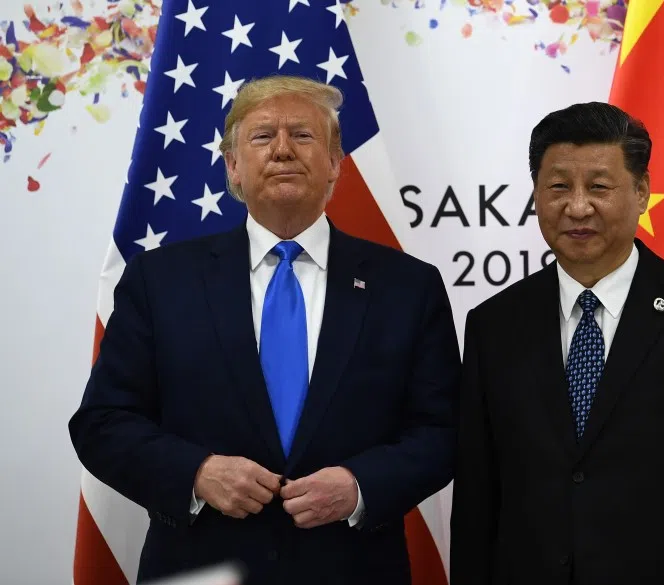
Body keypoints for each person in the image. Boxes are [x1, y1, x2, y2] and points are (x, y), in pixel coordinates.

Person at [69, 75, 460, 585]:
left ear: (336, 164)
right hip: (201, 566)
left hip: (353, 567)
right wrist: (197, 473)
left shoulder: (408, 286)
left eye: (302, 135)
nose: (282, 150)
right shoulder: (158, 281)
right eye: (261, 137)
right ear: (233, 166)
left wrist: (360, 486)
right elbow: (102, 422)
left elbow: (444, 431)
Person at [449, 102, 664, 585]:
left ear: (642, 192)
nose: (577, 206)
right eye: (559, 187)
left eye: (599, 187)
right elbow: (478, 500)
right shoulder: (494, 325)